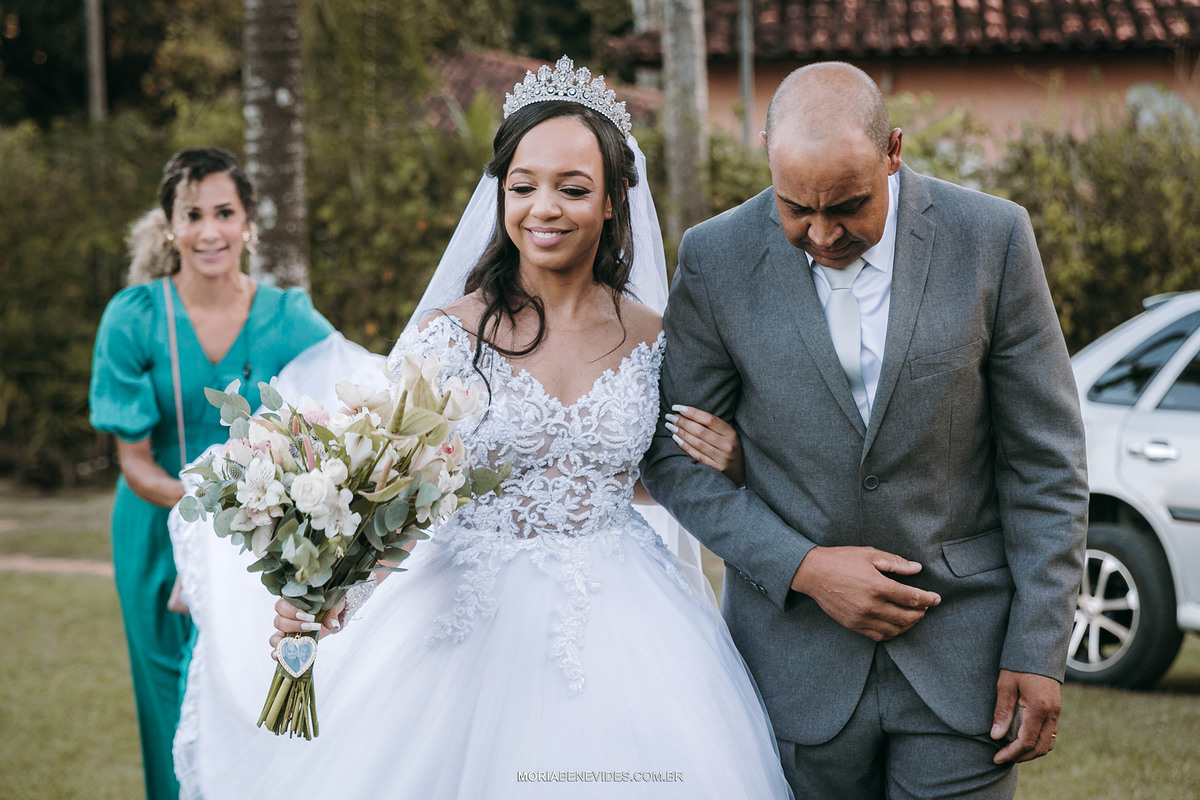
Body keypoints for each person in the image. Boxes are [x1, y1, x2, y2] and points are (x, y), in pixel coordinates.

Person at [177, 57, 791, 799]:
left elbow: (647, 476)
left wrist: (729, 463)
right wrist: (336, 589)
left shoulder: (655, 335)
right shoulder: (448, 337)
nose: (543, 208)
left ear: (611, 201)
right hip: (464, 618)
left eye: (572, 189)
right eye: (523, 186)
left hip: (627, 614)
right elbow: (393, 490)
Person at [641, 62, 1089, 800]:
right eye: (795, 208)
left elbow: (1046, 464)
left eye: (848, 206)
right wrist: (806, 567)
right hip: (791, 669)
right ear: (767, 152)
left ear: (893, 152)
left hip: (964, 664)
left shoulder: (992, 238)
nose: (821, 234)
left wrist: (1039, 650)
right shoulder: (716, 257)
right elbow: (670, 455)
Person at [89, 146, 334, 800]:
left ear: (248, 222)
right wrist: (223, 503)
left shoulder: (289, 316)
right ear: (170, 225)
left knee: (248, 702)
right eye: (191, 214)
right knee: (171, 705)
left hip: (258, 544)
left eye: (224, 213)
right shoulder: (134, 317)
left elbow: (348, 394)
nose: (208, 231)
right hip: (157, 531)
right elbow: (135, 463)